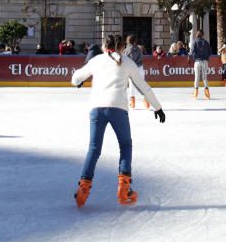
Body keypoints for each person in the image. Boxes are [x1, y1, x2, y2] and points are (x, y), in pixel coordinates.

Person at [71, 35, 166, 207]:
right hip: (118, 107)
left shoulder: (96, 60)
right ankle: (124, 188)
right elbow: (143, 86)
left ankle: (83, 189)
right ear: (122, 47)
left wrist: (77, 82)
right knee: (125, 145)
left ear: (104, 46)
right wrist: (157, 107)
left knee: (94, 148)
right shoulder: (128, 62)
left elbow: (76, 77)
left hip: (97, 108)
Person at [124, 35, 147, 109]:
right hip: (140, 68)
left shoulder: (127, 50)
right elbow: (141, 57)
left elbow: (125, 60)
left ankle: (132, 102)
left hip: (132, 69)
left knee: (132, 86)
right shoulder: (139, 48)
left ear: (128, 41)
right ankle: (146, 100)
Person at [189, 30, 212, 99]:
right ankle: (207, 93)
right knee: (205, 77)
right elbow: (210, 52)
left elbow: (192, 51)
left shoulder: (194, 42)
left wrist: (195, 57)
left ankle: (196, 92)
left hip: (197, 61)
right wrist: (206, 57)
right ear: (203, 35)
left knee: (197, 77)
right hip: (205, 61)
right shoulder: (206, 42)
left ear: (197, 35)